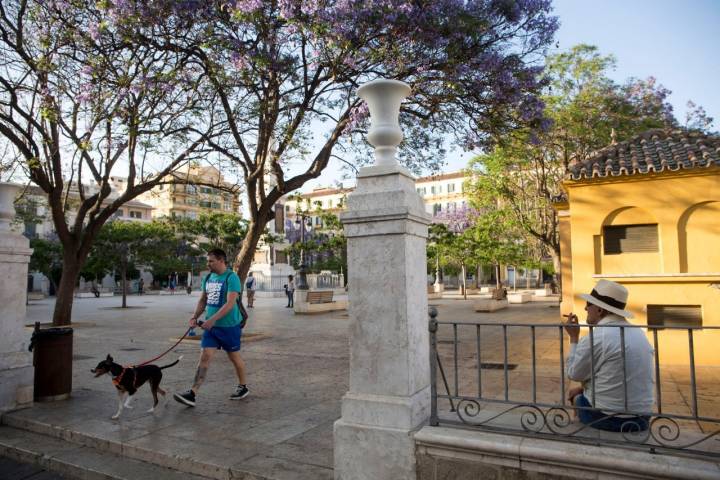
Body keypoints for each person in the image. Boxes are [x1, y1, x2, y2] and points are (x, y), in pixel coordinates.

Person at [564, 279, 654, 432]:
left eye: (589, 304)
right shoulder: (638, 332)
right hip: (642, 418)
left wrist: (573, 338)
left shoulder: (598, 337)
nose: (586, 308)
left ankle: (580, 428)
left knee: (575, 396)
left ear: (599, 310)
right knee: (580, 390)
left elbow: (574, 373)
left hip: (609, 418)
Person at [174, 248, 249, 407]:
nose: (208, 264)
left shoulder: (231, 277)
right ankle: (192, 393)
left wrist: (213, 320)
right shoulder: (208, 278)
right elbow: (203, 300)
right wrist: (195, 316)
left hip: (229, 327)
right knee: (205, 357)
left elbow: (230, 304)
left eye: (211, 261)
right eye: (207, 261)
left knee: (234, 357)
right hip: (211, 329)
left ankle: (243, 386)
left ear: (221, 260)